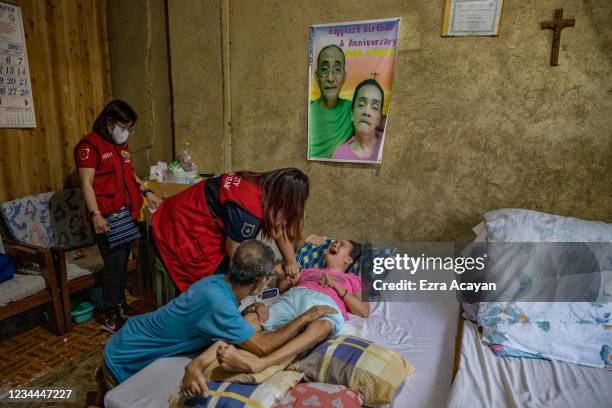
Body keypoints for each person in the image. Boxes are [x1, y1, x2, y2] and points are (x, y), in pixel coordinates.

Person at [103, 240, 335, 389]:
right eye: (270, 275)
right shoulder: (217, 302)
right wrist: (305, 317)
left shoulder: (217, 283)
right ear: (261, 281)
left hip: (128, 338)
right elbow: (263, 346)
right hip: (124, 355)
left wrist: (249, 309)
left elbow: (218, 320)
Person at [181, 240, 369, 390]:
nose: (334, 244)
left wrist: (337, 286)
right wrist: (286, 280)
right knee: (253, 318)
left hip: (326, 304)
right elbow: (281, 288)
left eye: (341, 245)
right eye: (334, 242)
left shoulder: (352, 279)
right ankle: (200, 363)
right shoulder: (309, 270)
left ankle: (262, 363)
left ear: (348, 260)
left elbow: (363, 310)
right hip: (295, 297)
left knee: (324, 325)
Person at [74, 100, 162, 333]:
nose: (127, 132)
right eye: (124, 126)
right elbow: (86, 183)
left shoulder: (121, 146)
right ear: (110, 122)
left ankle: (120, 307)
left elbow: (129, 173)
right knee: (114, 266)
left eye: (130, 128)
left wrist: (147, 191)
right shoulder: (89, 146)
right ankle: (110, 316)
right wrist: (96, 215)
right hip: (107, 216)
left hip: (126, 214)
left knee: (121, 262)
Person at [152, 168, 308, 292]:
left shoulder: (260, 183)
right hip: (177, 228)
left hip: (179, 211)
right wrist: (269, 272)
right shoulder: (248, 210)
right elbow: (235, 254)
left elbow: (279, 227)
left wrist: (291, 262)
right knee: (212, 288)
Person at [308, 44, 354, 159]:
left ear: (344, 77)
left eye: (337, 70)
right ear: (317, 77)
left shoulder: (353, 109)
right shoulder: (308, 110)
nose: (330, 78)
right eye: (324, 70)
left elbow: (378, 120)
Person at [332, 79, 385, 162]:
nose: (367, 112)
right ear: (352, 114)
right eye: (361, 104)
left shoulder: (388, 142)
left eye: (375, 107)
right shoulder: (339, 155)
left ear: (379, 119)